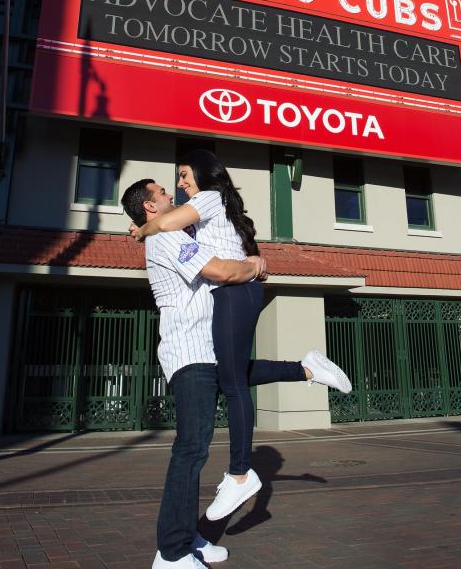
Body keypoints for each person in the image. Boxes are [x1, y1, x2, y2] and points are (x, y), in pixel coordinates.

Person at [121, 177, 348, 568]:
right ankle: (172, 554)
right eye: (161, 193)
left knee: (238, 376)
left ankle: (307, 368)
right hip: (189, 353)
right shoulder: (167, 238)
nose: (171, 194)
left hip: (206, 350)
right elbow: (220, 271)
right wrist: (253, 266)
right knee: (191, 448)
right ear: (149, 207)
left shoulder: (166, 230)